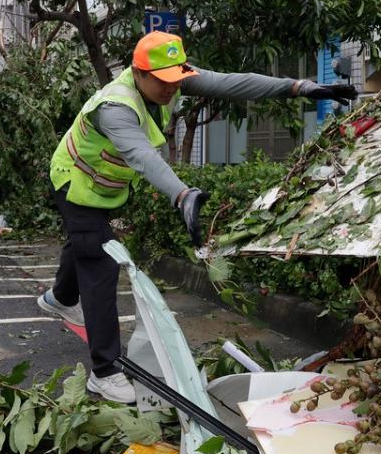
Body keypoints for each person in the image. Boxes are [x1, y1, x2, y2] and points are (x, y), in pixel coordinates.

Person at [37, 31, 357, 402]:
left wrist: (299, 87)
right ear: (139, 73)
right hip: (75, 180)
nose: (171, 88)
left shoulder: (168, 80)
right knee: (101, 262)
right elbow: (143, 156)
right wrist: (182, 195)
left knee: (85, 243)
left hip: (105, 186)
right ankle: (106, 371)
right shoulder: (116, 107)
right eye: (161, 81)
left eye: (176, 79)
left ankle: (60, 297)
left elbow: (232, 84)